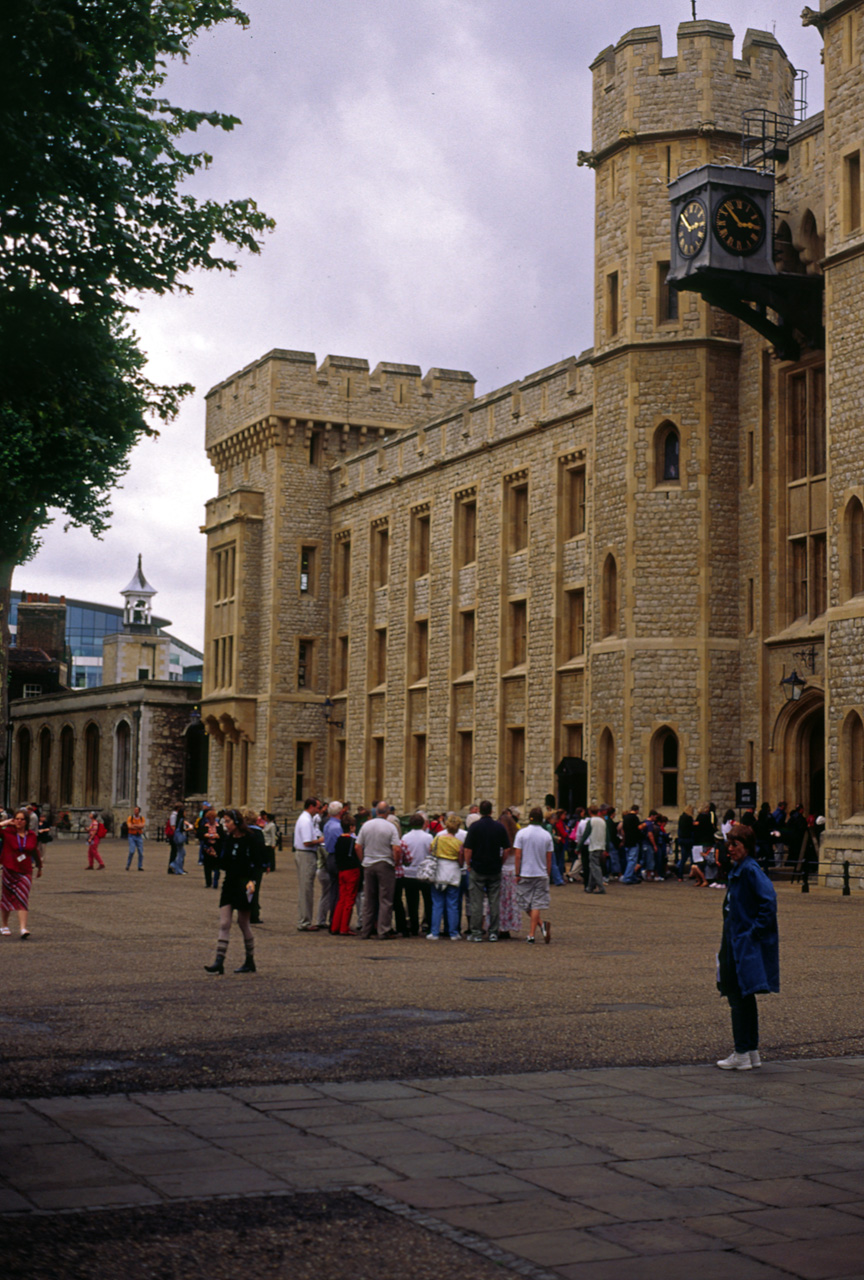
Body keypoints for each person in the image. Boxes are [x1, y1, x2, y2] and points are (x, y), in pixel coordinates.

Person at [716, 823, 779, 1070]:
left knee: (737, 995)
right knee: (744, 994)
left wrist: (753, 933)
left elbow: (769, 901)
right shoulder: (741, 869)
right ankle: (751, 1050)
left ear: (746, 847)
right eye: (728, 844)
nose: (729, 849)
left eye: (735, 845)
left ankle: (741, 1051)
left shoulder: (750, 869)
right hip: (735, 939)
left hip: (741, 941)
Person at [203, 809, 265, 974]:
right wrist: (215, 856)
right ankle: (219, 961)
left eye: (228, 821)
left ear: (236, 822)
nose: (226, 825)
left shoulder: (251, 838)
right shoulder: (228, 839)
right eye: (224, 821)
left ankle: (250, 960)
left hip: (244, 884)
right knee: (224, 923)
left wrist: (253, 881)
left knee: (243, 923)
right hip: (229, 883)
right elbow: (225, 864)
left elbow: (258, 862)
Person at [464, 800, 509, 941]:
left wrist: (468, 865)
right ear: (491, 811)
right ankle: (493, 932)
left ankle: (477, 932)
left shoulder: (474, 827)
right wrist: (501, 862)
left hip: (478, 867)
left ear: (480, 812)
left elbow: (467, 849)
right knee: (493, 902)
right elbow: (507, 849)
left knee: (477, 903)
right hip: (494, 868)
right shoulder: (499, 827)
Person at [356, 801, 402, 939]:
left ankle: (366, 929)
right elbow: (397, 848)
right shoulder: (390, 827)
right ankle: (383, 930)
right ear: (387, 812)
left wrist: (363, 860)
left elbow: (358, 846)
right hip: (384, 863)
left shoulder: (366, 826)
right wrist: (396, 862)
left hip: (369, 863)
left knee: (369, 899)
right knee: (385, 899)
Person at [0, 809, 43, 939]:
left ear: (26, 822)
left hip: (25, 870)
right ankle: (4, 925)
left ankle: (23, 928)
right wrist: (6, 822)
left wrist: (40, 867)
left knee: (23, 897)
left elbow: (35, 851)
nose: (19, 821)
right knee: (7, 898)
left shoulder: (31, 835)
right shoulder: (7, 833)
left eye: (22, 819)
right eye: (17, 819)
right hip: (10, 868)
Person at [514, 806, 553, 943]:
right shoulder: (546, 835)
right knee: (536, 904)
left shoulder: (522, 834)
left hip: (526, 872)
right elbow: (549, 857)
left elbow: (518, 855)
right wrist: (548, 873)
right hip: (541, 873)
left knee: (523, 902)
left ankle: (532, 934)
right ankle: (540, 927)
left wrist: (517, 872)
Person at [427, 813, 464, 940]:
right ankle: (453, 932)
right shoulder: (458, 843)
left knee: (437, 903)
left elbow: (431, 850)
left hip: (439, 871)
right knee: (452, 904)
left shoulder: (438, 839)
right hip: (453, 872)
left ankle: (434, 932)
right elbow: (460, 861)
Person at [395, 813, 432, 937]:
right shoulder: (428, 837)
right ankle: (429, 926)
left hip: (410, 873)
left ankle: (414, 927)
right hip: (425, 873)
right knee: (428, 901)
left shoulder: (405, 837)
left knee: (412, 902)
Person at [293, 797, 323, 931]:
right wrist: (320, 840)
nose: (319, 810)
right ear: (311, 806)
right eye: (318, 807)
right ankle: (304, 922)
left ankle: (305, 919)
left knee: (307, 888)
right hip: (305, 854)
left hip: (306, 854)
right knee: (306, 889)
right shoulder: (305, 820)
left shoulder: (307, 819)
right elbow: (307, 842)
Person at [330, 814, 362, 935]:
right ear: (352, 827)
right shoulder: (352, 841)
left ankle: (335, 926)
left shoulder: (339, 840)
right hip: (351, 870)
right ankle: (344, 927)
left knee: (341, 899)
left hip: (341, 870)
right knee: (349, 899)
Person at [168, 805, 192, 874]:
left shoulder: (179, 819)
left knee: (182, 853)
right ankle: (178, 869)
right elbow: (182, 829)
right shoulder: (181, 820)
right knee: (180, 854)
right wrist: (189, 829)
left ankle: (173, 865)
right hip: (179, 838)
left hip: (177, 837)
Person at [126, 806, 146, 871]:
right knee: (131, 851)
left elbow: (142, 826)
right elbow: (129, 826)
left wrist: (134, 825)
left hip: (139, 836)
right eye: (134, 810)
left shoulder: (141, 818)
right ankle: (128, 865)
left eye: (136, 810)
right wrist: (138, 826)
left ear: (139, 811)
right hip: (131, 836)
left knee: (141, 852)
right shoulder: (130, 818)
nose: (135, 811)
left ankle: (140, 866)